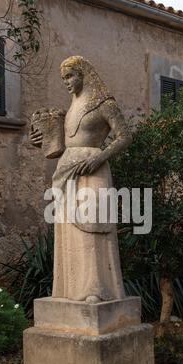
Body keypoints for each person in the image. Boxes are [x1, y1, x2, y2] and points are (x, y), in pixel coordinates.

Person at [31, 56, 132, 303]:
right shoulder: (72, 106)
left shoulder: (104, 103)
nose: (66, 82)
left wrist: (99, 159)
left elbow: (125, 136)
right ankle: (70, 288)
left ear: (83, 74)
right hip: (67, 169)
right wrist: (40, 140)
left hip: (93, 169)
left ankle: (96, 289)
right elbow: (63, 143)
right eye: (64, 78)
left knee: (92, 226)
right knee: (69, 229)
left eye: (70, 76)